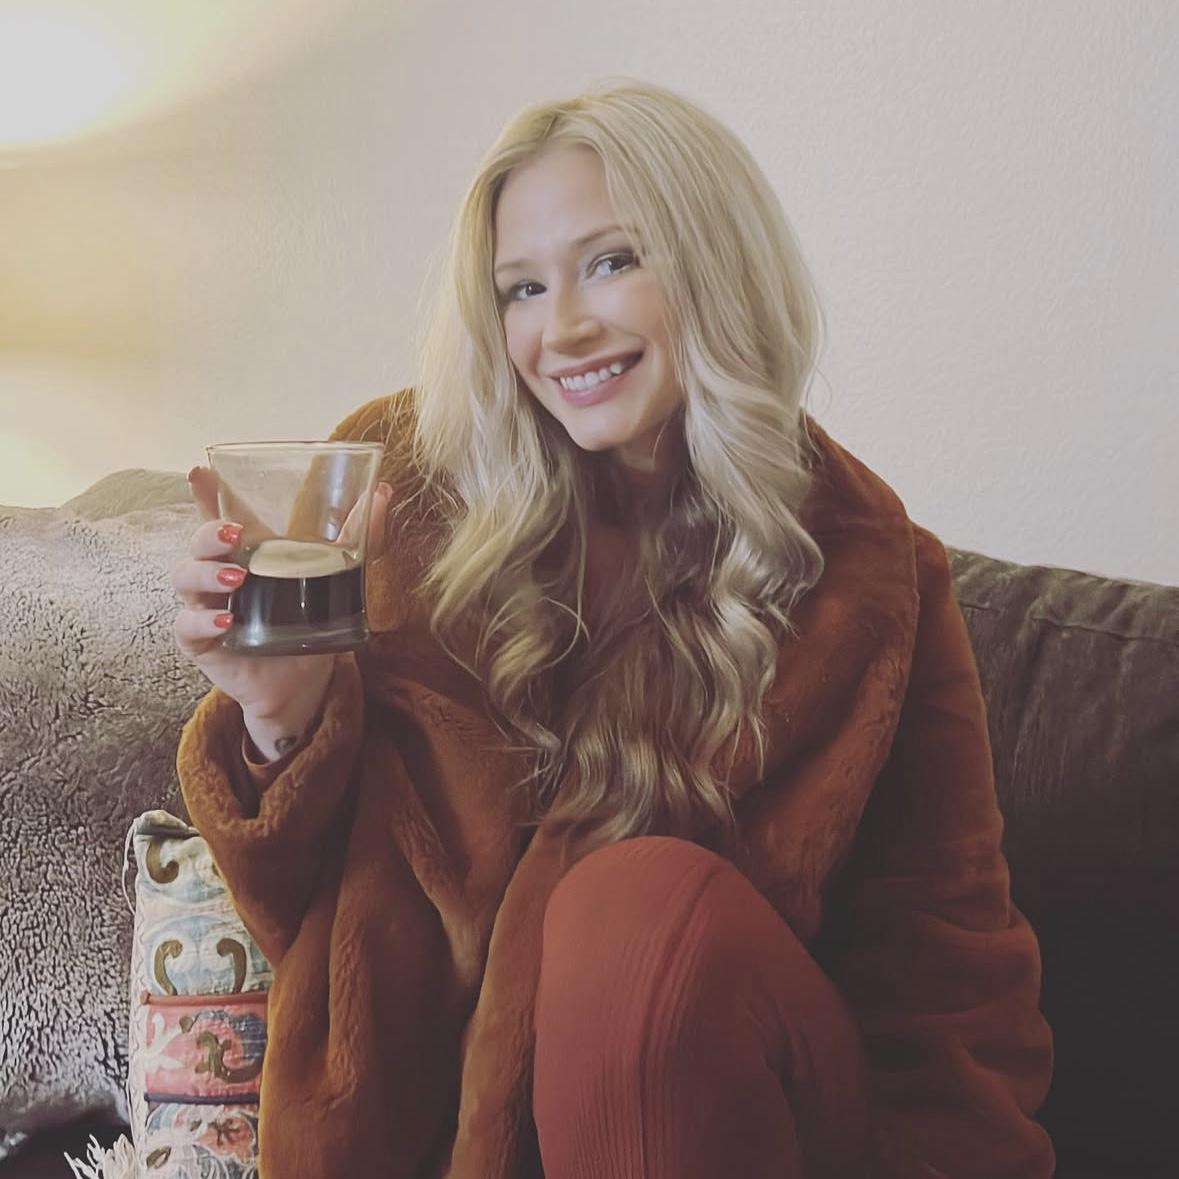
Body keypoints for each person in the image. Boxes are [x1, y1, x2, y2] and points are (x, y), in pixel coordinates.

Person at [171, 79, 1055, 1178]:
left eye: (612, 262)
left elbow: (950, 994)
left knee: (635, 911)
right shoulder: (401, 496)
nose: (563, 328)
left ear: (715, 266)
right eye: (522, 288)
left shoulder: (866, 574)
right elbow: (315, 947)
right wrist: (278, 716)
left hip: (733, 1129)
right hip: (410, 1150)